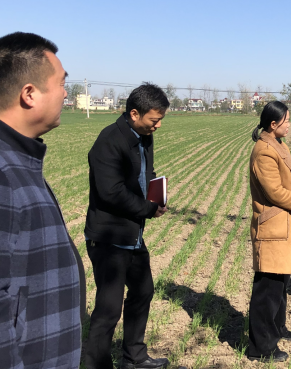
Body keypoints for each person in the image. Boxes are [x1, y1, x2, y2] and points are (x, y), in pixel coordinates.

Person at [0, 32, 83, 369]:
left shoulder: (21, 162)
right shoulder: (3, 173)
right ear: (29, 94)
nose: (66, 92)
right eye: (62, 82)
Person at [84, 83, 170, 369]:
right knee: (108, 311)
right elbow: (111, 192)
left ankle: (134, 358)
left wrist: (157, 194)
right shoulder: (109, 140)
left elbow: (146, 174)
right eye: (154, 120)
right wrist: (147, 208)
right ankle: (97, 364)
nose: (157, 126)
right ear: (134, 113)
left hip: (132, 234)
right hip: (109, 237)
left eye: (160, 120)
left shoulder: (143, 137)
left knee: (143, 290)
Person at [247, 101, 291, 362]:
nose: (290, 125)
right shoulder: (264, 152)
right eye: (286, 121)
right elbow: (274, 192)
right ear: (273, 124)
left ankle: (278, 328)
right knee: (267, 291)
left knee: (281, 285)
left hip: (283, 224)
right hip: (272, 227)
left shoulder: (279, 145)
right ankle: (261, 347)